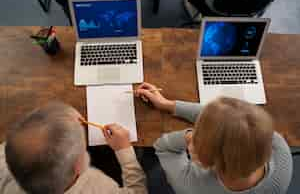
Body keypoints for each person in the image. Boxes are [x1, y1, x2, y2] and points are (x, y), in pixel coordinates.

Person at [135, 82, 292, 194]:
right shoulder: (279, 149)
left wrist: (189, 136)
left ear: (203, 160)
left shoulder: (191, 186)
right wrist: (169, 105)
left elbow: (163, 146)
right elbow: (228, 118)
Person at [0, 102, 147, 194]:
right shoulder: (100, 189)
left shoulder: (4, 167)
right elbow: (138, 191)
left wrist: (60, 118)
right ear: (80, 165)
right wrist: (124, 150)